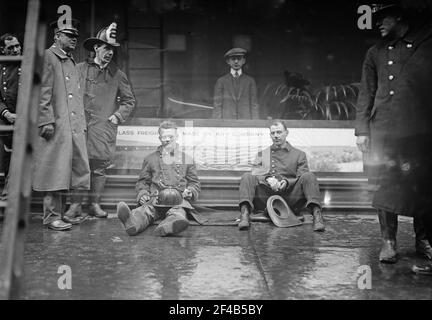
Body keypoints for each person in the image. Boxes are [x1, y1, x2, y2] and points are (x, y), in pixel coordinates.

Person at [355, 3, 432, 265]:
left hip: (417, 131)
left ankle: (423, 240)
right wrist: (362, 130)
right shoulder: (374, 53)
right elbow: (366, 92)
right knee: (384, 183)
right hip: (383, 130)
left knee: (421, 184)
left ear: (398, 17)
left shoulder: (424, 46)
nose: (377, 23)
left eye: (382, 18)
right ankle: (388, 241)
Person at [64, 22, 135, 220]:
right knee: (78, 164)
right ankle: (75, 206)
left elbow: (129, 101)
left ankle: (94, 205)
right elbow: (66, 94)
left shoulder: (118, 75)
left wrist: (116, 116)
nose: (110, 52)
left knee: (98, 166)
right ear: (96, 48)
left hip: (103, 128)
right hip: (79, 126)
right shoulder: (78, 69)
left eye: (112, 49)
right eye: (106, 48)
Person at [32, 19, 91, 231]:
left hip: (72, 126)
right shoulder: (48, 57)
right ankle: (51, 217)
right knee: (54, 172)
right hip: (56, 125)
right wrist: (46, 120)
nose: (74, 38)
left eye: (76, 35)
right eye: (69, 35)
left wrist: (80, 124)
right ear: (57, 35)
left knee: (73, 170)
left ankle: (67, 212)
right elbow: (42, 92)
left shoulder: (69, 60)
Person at [117, 121, 201, 237]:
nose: (167, 140)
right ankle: (132, 223)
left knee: (178, 214)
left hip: (179, 201)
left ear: (177, 137)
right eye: (164, 137)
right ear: (160, 138)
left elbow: (194, 182)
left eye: (170, 137)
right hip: (155, 200)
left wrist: (190, 191)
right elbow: (143, 181)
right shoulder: (150, 159)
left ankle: (169, 226)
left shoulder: (187, 159)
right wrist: (143, 194)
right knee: (144, 211)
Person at [237, 120, 325, 232]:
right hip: (266, 197)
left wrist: (287, 182)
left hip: (290, 198)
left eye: (279, 132)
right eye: (273, 133)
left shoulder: (299, 154)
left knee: (309, 176)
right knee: (247, 176)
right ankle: (245, 215)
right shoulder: (263, 154)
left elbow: (302, 176)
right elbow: (255, 174)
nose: (276, 136)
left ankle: (317, 217)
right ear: (270, 135)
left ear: (286, 133)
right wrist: (267, 179)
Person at [0, 33, 21, 201]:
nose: (16, 50)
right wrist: (6, 113)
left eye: (17, 46)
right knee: (9, 157)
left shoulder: (27, 66)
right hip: (6, 121)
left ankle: (9, 195)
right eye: (11, 48)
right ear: (2, 50)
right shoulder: (1, 68)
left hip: (26, 120)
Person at [213, 47, 259, 119]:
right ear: (228, 61)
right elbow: (217, 106)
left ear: (244, 60)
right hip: (227, 123)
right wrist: (218, 125)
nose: (236, 61)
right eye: (233, 59)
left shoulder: (250, 81)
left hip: (245, 123)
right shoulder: (221, 81)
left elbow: (254, 105)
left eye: (239, 58)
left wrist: (255, 125)